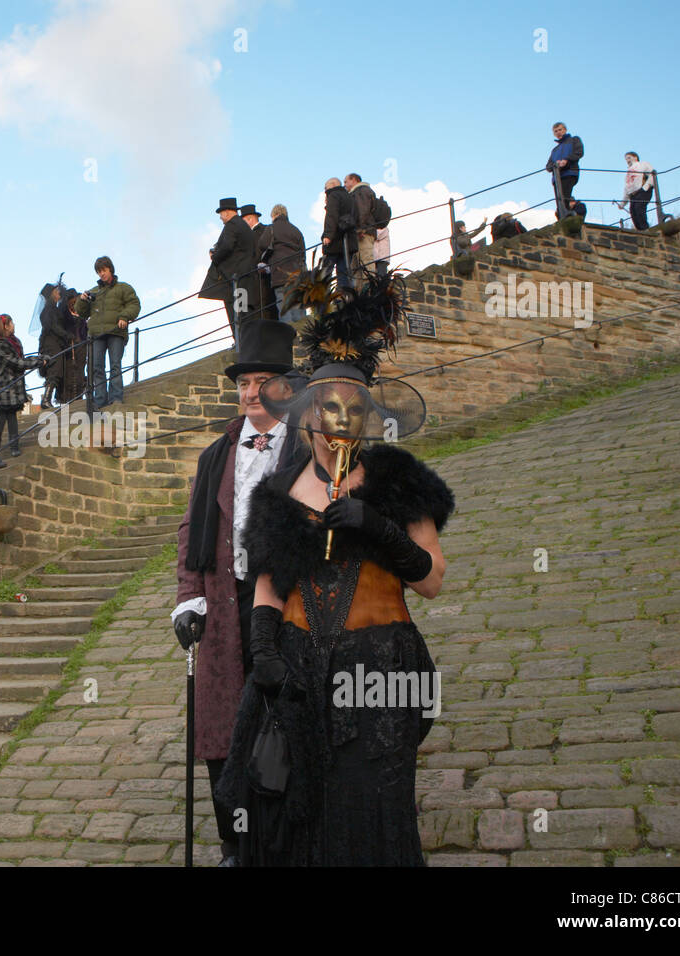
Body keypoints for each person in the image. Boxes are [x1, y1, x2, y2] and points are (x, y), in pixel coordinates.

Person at [216, 271, 455, 867]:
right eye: (328, 407)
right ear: (309, 413)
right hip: (295, 674)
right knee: (292, 805)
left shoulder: (397, 480)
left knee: (370, 805)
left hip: (378, 671)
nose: (338, 421)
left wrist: (377, 527)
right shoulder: (279, 488)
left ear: (366, 414)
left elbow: (431, 580)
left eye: (352, 408)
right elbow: (269, 581)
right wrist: (264, 649)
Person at [175, 321, 298, 867]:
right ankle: (233, 844)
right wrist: (188, 597)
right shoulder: (216, 455)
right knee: (221, 725)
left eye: (262, 382)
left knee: (285, 717)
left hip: (289, 606)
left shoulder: (307, 446)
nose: (251, 393)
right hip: (224, 604)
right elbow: (190, 531)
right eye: (244, 383)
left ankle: (288, 835)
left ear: (287, 388)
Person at [76, 256, 140, 410]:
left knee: (115, 365)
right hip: (97, 334)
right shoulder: (94, 291)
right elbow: (81, 312)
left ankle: (116, 398)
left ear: (110, 269)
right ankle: (100, 399)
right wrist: (82, 300)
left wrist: (125, 317)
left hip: (116, 331)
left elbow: (134, 304)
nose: (102, 274)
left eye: (104, 270)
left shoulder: (124, 288)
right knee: (96, 366)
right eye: (99, 271)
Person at [0, 313, 44, 467]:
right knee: (1, 418)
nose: (14, 325)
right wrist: (39, 361)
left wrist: (38, 360)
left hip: (12, 386)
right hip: (1, 387)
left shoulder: (14, 342)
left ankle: (14, 446)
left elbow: (20, 362)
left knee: (12, 414)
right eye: (11, 323)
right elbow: (17, 363)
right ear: (5, 326)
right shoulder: (0, 345)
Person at [203, 197, 259, 337]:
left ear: (227, 212)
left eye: (221, 214)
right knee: (244, 312)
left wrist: (214, 256)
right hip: (245, 277)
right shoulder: (243, 226)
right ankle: (245, 342)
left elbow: (227, 246)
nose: (221, 218)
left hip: (236, 278)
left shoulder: (232, 225)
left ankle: (241, 342)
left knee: (238, 313)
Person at [257, 204, 309, 323]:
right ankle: (302, 337)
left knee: (285, 310)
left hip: (280, 275)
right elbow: (303, 254)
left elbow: (262, 244)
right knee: (298, 310)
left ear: (275, 215)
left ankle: (289, 339)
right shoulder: (296, 230)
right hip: (297, 276)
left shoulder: (271, 228)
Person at [36, 283, 71, 409]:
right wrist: (66, 335)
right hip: (51, 344)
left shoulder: (52, 309)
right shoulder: (49, 310)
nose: (58, 293)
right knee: (54, 369)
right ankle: (46, 399)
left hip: (54, 343)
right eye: (56, 291)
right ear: (51, 294)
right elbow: (53, 326)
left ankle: (48, 399)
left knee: (56, 369)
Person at [241, 204, 277, 322]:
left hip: (263, 276)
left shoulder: (265, 230)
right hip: (253, 279)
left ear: (250, 219)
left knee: (266, 305)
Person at [344, 173, 378, 286]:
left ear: (353, 180)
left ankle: (370, 290)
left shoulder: (361, 191)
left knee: (366, 263)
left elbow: (362, 211)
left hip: (363, 233)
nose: (345, 185)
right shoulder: (360, 192)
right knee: (358, 266)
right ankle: (360, 295)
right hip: (361, 232)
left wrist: (359, 229)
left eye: (346, 182)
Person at [321, 179, 354, 291]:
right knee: (343, 274)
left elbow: (332, 216)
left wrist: (328, 235)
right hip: (349, 241)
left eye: (325, 188)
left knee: (325, 273)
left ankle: (324, 299)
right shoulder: (349, 196)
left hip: (334, 241)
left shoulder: (333, 195)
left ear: (333, 185)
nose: (325, 191)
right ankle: (343, 297)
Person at [546, 122, 584, 218]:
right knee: (559, 201)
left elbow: (579, 153)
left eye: (560, 130)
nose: (558, 132)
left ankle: (566, 217)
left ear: (565, 130)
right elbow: (548, 166)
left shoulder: (574, 140)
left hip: (569, 172)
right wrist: (555, 164)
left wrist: (567, 160)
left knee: (565, 197)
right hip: (557, 177)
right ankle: (562, 217)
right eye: (556, 131)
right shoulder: (555, 150)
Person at [58, 288, 89, 405]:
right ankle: (68, 399)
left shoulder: (81, 314)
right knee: (70, 372)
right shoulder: (65, 314)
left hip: (81, 346)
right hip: (69, 347)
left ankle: (79, 396)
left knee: (80, 371)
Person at [618, 151, 655, 231]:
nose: (627, 160)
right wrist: (622, 203)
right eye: (626, 159)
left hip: (642, 190)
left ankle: (645, 229)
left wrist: (646, 187)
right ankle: (640, 231)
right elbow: (627, 188)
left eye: (629, 158)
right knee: (633, 212)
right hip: (633, 194)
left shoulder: (643, 164)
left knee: (639, 209)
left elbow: (652, 174)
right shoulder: (628, 172)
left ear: (635, 157)